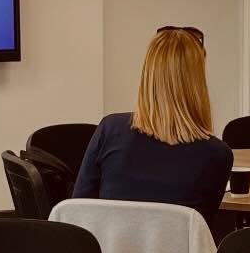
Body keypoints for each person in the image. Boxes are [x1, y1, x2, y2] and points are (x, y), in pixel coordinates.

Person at [72, 27, 232, 221]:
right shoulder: (217, 155)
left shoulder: (110, 129)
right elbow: (201, 233)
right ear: (197, 83)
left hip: (108, 251)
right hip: (176, 252)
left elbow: (78, 211)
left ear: (148, 75)